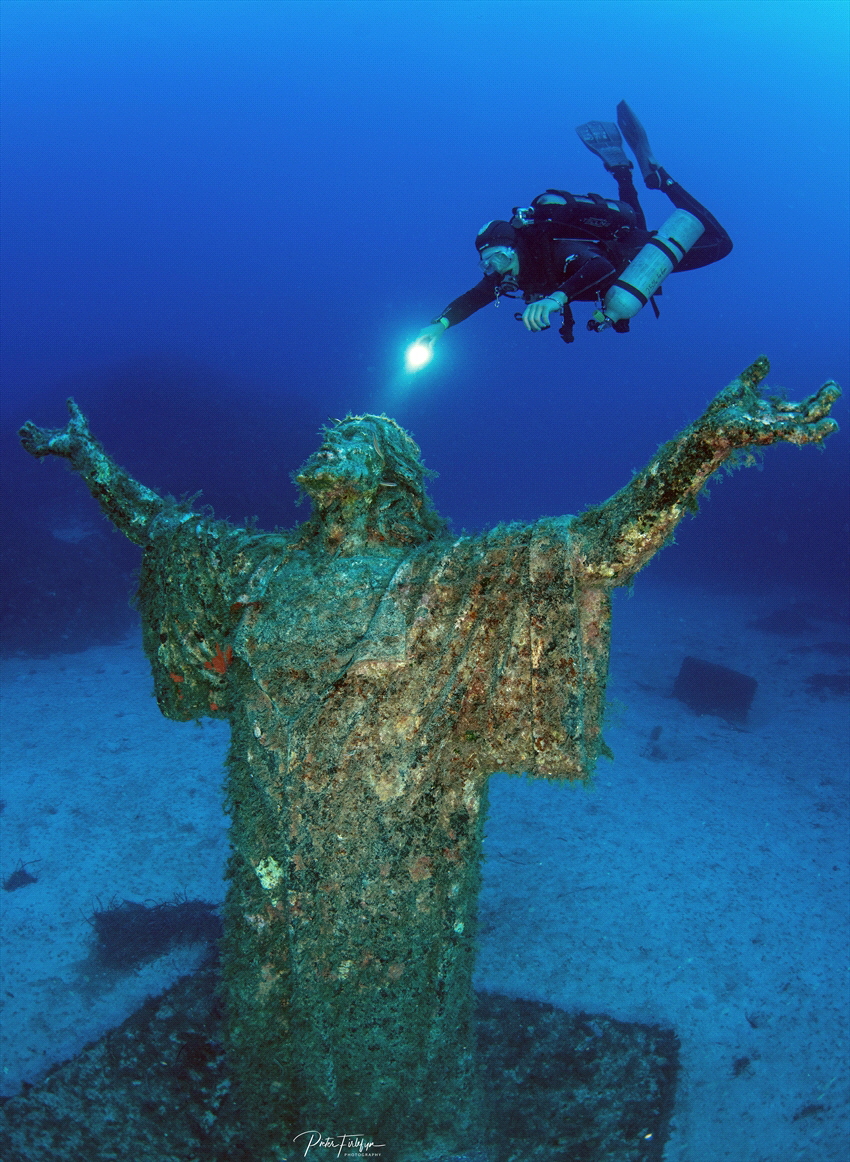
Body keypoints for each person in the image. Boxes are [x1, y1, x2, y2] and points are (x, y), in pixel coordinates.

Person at [18, 361, 838, 1158]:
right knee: (272, 979)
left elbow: (593, 550)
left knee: (384, 989)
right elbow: (160, 524)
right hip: (275, 837)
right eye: (335, 432)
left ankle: (382, 1137)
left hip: (395, 844)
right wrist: (86, 456)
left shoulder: (434, 581)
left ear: (391, 477)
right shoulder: (263, 569)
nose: (337, 440)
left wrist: (707, 443)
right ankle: (290, 1129)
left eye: (360, 437)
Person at [414, 101, 733, 348]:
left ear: (514, 248)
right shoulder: (507, 276)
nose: (494, 268)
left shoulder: (549, 248)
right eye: (486, 263)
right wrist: (438, 326)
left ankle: (663, 180)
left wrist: (556, 298)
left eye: (498, 257)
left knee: (720, 244)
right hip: (625, 252)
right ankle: (623, 172)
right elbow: (471, 299)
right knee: (636, 225)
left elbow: (599, 268)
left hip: (628, 258)